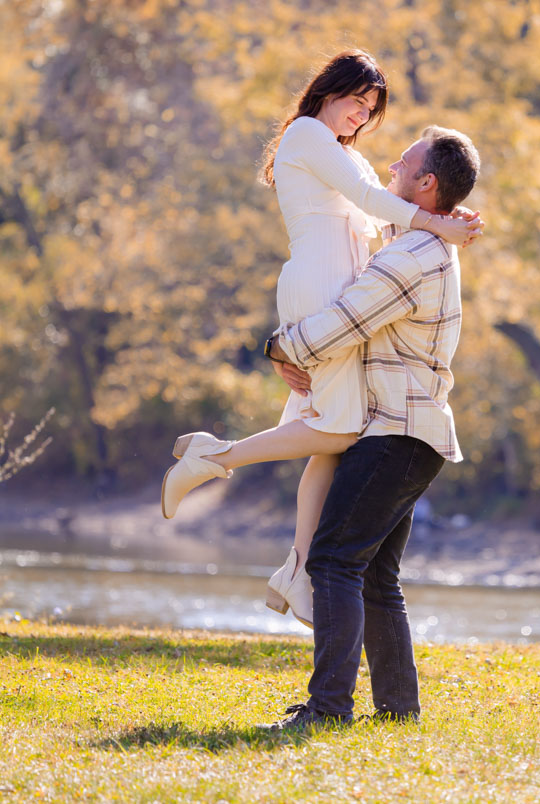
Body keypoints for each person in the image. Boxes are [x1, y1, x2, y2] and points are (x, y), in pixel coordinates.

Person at [159, 51, 481, 630]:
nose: (361, 118)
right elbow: (374, 204)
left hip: (338, 292)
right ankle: (216, 456)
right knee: (340, 428)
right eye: (357, 102)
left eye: (370, 111)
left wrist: (443, 217)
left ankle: (297, 568)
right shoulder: (306, 134)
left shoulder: (341, 152)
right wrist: (440, 225)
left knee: (328, 443)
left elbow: (378, 219)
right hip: (318, 288)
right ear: (330, 91)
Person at [260, 124, 480, 730]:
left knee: (333, 560)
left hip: (396, 435)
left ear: (426, 182)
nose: (391, 164)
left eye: (403, 161)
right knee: (377, 575)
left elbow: (343, 321)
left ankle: (328, 709)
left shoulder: (412, 257)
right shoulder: (420, 243)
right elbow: (379, 225)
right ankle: (398, 711)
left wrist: (279, 346)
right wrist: (447, 220)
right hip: (415, 435)